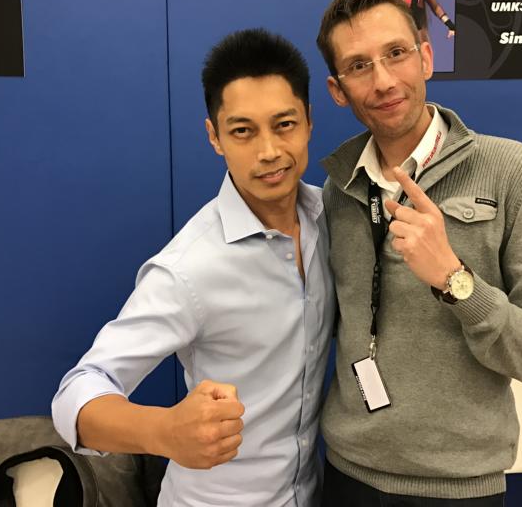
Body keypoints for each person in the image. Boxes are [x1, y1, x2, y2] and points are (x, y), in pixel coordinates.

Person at [315, 0, 522, 505]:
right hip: (347, 473)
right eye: (359, 66)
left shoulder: (513, 172)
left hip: (461, 487)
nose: (384, 80)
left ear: (426, 57)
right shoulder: (339, 189)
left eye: (396, 53)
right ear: (338, 90)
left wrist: (457, 281)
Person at [52, 29, 336, 507]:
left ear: (308, 121)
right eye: (243, 131)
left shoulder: (331, 218)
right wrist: (163, 430)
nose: (269, 150)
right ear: (214, 137)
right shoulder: (188, 268)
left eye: (284, 124)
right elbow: (75, 394)